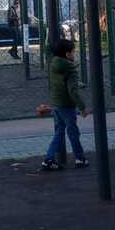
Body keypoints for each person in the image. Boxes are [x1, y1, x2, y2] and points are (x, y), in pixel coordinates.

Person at [41, 38, 89, 171]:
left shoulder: (52, 62)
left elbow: (48, 50)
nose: (74, 54)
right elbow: (73, 91)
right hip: (67, 105)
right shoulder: (71, 69)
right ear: (67, 54)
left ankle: (48, 159)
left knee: (59, 133)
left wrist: (50, 40)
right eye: (73, 52)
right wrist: (82, 107)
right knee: (73, 133)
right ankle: (80, 158)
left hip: (56, 103)